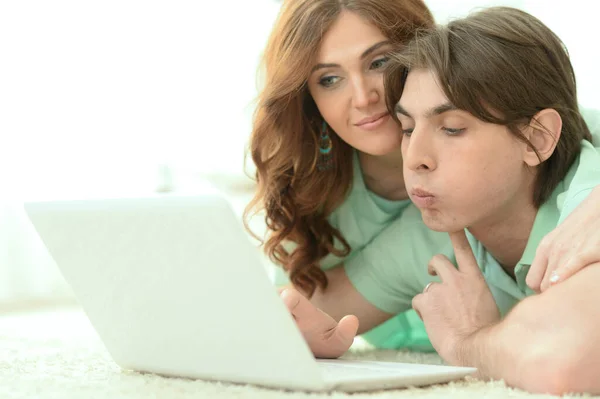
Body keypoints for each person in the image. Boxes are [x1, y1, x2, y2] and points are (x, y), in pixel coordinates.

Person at [245, 0, 600, 355]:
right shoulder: (428, 232)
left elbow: (564, 360)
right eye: (408, 129)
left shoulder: (578, 191)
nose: (363, 97)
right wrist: (295, 336)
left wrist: (469, 344)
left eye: (452, 129)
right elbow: (297, 319)